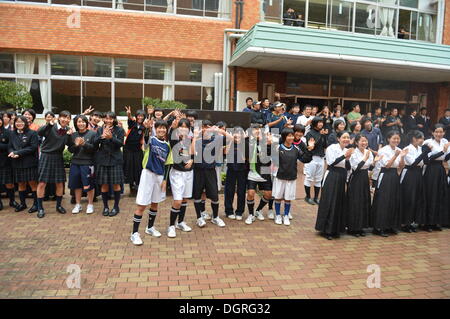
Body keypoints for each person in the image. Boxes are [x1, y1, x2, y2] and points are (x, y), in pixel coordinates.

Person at [130, 119, 172, 245]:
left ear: (166, 130)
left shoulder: (168, 145)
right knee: (142, 205)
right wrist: (147, 129)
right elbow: (146, 139)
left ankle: (150, 227)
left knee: (155, 203)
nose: (161, 130)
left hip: (159, 176)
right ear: (156, 128)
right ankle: (134, 233)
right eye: (159, 127)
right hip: (148, 174)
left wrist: (165, 179)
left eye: (164, 128)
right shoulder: (151, 140)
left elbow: (168, 164)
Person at [315, 131, 353, 240]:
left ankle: (336, 228)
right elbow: (331, 162)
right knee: (330, 201)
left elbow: (348, 167)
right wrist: (344, 156)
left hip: (341, 176)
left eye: (348, 137)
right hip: (332, 175)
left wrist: (347, 159)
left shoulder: (347, 150)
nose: (346, 139)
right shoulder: (332, 148)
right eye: (344, 137)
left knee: (339, 202)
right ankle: (326, 230)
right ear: (338, 138)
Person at [192, 120, 230, 228]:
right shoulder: (198, 140)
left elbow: (230, 138)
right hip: (198, 171)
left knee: (214, 195)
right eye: (204, 127)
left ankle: (215, 217)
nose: (206, 129)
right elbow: (192, 152)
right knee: (197, 195)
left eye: (208, 127)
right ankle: (199, 218)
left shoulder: (216, 139)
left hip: (210, 170)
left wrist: (219, 130)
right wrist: (195, 136)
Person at [36, 110, 73, 218]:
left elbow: (70, 146)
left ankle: (58, 206)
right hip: (46, 156)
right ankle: (40, 208)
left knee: (60, 183)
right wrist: (49, 124)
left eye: (68, 118)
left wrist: (71, 137)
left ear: (69, 120)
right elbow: (39, 132)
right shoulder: (50, 127)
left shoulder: (67, 131)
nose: (65, 119)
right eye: (63, 117)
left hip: (58, 157)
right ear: (59, 118)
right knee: (42, 183)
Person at [273, 128, 313, 226]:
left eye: (292, 136)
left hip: (291, 177)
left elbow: (305, 159)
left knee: (288, 198)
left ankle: (286, 215)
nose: (291, 138)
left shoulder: (296, 149)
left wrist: (310, 150)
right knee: (278, 197)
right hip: (280, 176)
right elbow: (271, 159)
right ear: (284, 137)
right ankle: (278, 215)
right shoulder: (278, 148)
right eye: (289, 136)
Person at [371, 131, 408, 237]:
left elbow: (401, 166)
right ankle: (379, 227)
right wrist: (396, 155)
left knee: (393, 200)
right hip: (385, 175)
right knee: (384, 201)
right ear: (388, 139)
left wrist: (401, 157)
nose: (396, 141)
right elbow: (387, 165)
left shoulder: (399, 150)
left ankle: (390, 226)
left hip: (395, 175)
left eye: (398, 139)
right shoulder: (383, 150)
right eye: (394, 138)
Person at [94, 111, 125, 217]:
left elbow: (120, 144)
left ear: (114, 120)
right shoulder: (99, 129)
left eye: (111, 119)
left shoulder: (119, 130)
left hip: (115, 160)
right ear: (103, 119)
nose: (108, 120)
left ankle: (116, 207)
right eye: (106, 118)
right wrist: (101, 136)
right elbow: (94, 143)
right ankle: (105, 207)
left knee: (116, 185)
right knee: (104, 185)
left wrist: (111, 137)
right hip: (102, 160)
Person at [167, 117, 194, 237]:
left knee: (184, 199)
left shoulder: (190, 139)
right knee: (177, 201)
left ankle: (181, 222)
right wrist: (173, 126)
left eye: (186, 127)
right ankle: (171, 226)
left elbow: (193, 153)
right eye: (181, 126)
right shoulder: (174, 139)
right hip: (177, 173)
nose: (183, 129)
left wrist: (192, 160)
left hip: (189, 173)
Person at [8, 116, 39, 213]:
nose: (19, 124)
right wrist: (12, 152)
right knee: (21, 183)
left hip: (29, 163)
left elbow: (33, 147)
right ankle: (22, 204)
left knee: (32, 183)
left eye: (21, 122)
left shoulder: (32, 133)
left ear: (25, 123)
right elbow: (10, 146)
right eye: (17, 122)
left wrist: (18, 153)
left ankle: (36, 204)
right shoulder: (12, 134)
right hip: (17, 163)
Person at [346, 134, 376, 237]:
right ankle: (352, 228)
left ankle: (361, 226)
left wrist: (374, 162)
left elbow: (370, 167)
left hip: (364, 178)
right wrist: (365, 159)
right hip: (356, 178)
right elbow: (356, 168)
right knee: (355, 202)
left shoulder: (368, 152)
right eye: (362, 141)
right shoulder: (354, 153)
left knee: (364, 201)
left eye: (366, 141)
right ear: (356, 142)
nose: (364, 143)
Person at [422, 124, 450, 231]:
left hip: (441, 169)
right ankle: (427, 223)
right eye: (437, 132)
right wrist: (443, 151)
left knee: (440, 194)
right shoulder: (427, 143)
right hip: (431, 169)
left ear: (444, 132)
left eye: (441, 132)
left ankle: (436, 222)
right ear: (432, 132)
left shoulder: (445, 141)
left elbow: (445, 158)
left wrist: (448, 152)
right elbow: (428, 159)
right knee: (430, 195)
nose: (439, 134)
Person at [400, 130, 429, 233]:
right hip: (409, 174)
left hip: (418, 173)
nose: (423, 140)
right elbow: (412, 163)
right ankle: (405, 223)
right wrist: (424, 153)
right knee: (409, 198)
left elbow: (425, 162)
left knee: (417, 198)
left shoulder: (421, 148)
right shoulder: (407, 149)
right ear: (414, 139)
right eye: (421, 138)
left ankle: (412, 222)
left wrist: (426, 153)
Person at [68, 115, 97, 215]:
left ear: (87, 123)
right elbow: (70, 150)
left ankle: (90, 204)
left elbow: (94, 149)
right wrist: (76, 145)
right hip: (75, 163)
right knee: (77, 185)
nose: (81, 123)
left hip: (88, 163)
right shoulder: (73, 135)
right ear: (76, 123)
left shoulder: (92, 134)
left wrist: (84, 144)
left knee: (88, 185)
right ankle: (78, 204)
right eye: (79, 122)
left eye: (83, 121)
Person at [245, 124, 273, 224]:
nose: (256, 131)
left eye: (258, 129)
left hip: (265, 170)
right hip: (253, 171)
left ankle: (258, 210)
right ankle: (251, 214)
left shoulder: (267, 141)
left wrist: (269, 144)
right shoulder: (248, 141)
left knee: (268, 194)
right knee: (251, 193)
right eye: (254, 130)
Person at [224, 126, 248, 220]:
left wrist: (242, 143)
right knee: (229, 191)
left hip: (242, 170)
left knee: (241, 191)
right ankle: (229, 211)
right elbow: (226, 152)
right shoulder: (229, 142)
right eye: (235, 133)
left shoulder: (245, 144)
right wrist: (230, 140)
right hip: (231, 170)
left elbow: (243, 158)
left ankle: (239, 212)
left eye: (239, 133)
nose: (237, 135)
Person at [303, 117, 327, 205]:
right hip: (312, 158)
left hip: (321, 158)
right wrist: (321, 135)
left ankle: (316, 197)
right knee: (309, 177)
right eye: (319, 122)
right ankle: (308, 196)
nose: (321, 124)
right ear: (314, 123)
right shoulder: (310, 133)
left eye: (322, 122)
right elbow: (312, 145)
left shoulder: (321, 133)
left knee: (318, 179)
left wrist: (323, 135)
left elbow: (325, 145)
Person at [123, 107, 146, 193]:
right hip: (128, 150)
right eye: (139, 116)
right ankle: (131, 185)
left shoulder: (144, 127)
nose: (140, 117)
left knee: (138, 167)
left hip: (138, 150)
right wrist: (129, 113)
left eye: (142, 116)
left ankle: (138, 185)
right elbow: (129, 117)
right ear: (136, 117)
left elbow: (145, 137)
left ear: (144, 117)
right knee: (129, 167)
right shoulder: (132, 123)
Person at [0, 115, 18, 210]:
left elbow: (10, 146)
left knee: (9, 183)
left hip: (6, 162)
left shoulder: (8, 132)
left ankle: (12, 201)